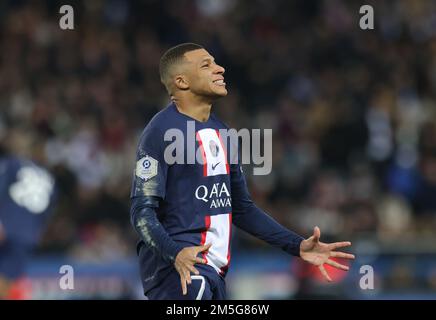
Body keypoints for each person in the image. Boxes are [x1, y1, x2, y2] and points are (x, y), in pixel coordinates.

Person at [130, 43, 355, 300]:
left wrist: (296, 245)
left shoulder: (224, 133)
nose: (220, 69)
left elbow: (241, 207)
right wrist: (175, 254)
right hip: (180, 272)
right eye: (207, 65)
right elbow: (141, 211)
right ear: (181, 81)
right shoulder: (160, 131)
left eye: (215, 63)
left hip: (214, 272)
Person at [0, 129, 56, 299]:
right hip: (28, 236)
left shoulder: (13, 164)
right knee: (10, 280)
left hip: (5, 226)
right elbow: (46, 215)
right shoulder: (52, 181)